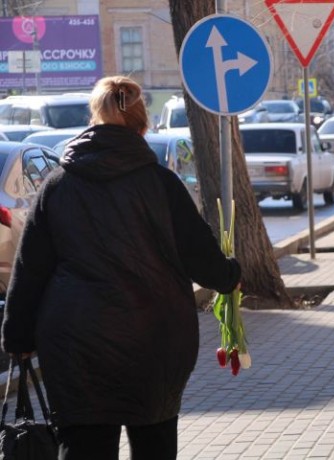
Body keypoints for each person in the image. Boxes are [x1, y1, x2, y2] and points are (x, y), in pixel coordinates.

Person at [1, 75, 241, 460]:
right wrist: (230, 275)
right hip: (156, 342)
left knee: (84, 447)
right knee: (154, 443)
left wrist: (17, 337)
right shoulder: (163, 184)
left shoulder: (58, 185)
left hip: (76, 346)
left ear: (93, 120)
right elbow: (203, 260)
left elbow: (31, 269)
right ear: (144, 125)